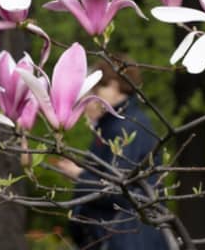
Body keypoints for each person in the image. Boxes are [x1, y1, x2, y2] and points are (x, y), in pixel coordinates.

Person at [56, 58, 169, 249]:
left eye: (97, 90)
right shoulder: (114, 125)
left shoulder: (125, 127)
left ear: (115, 86)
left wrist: (80, 176)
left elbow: (120, 190)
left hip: (129, 238)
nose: (90, 98)